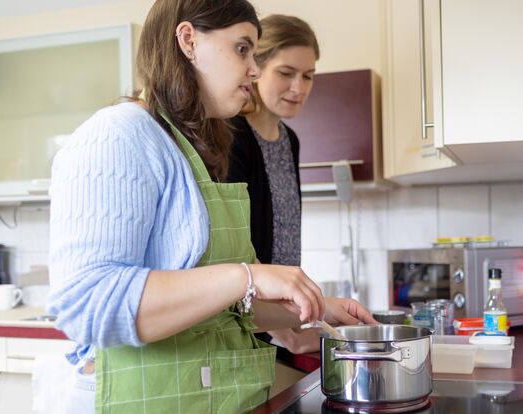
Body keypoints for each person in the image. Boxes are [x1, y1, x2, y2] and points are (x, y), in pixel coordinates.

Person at [46, 1, 374, 412]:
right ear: (188, 41)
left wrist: (317, 308)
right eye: (242, 49)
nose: (254, 70)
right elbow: (87, 305)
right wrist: (246, 276)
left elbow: (222, 308)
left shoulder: (191, 150)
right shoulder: (118, 134)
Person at [225, 15, 356, 354]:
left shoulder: (289, 139)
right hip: (245, 323)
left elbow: (282, 240)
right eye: (286, 73)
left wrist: (293, 325)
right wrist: (282, 329)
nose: (299, 87)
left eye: (308, 76)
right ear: (256, 68)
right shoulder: (233, 136)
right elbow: (234, 252)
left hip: (277, 321)